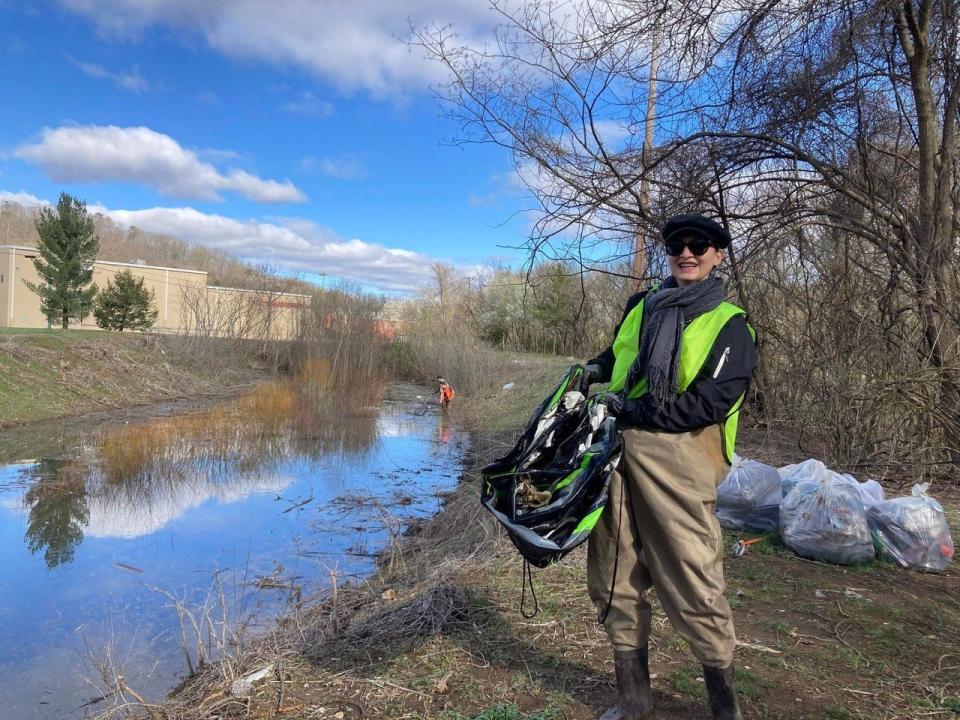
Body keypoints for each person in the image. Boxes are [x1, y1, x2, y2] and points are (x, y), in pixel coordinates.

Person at [582, 214, 757, 720]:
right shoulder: (643, 306)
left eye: (698, 245)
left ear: (717, 254)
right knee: (615, 569)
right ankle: (633, 702)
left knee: (692, 576)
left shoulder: (730, 325)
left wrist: (632, 411)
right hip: (618, 452)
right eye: (677, 245)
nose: (687, 252)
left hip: (681, 459)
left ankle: (725, 709)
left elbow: (709, 404)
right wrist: (590, 372)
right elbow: (618, 357)